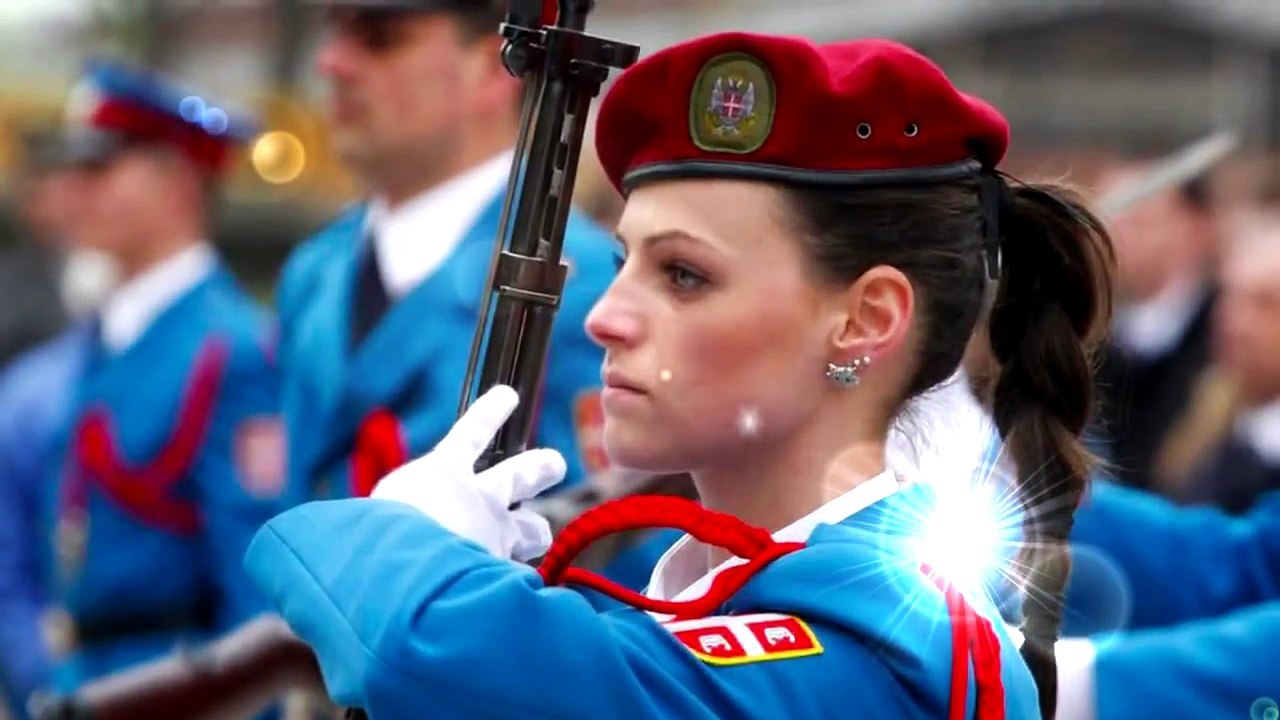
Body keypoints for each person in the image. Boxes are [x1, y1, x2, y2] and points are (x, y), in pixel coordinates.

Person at [245, 32, 1116, 719]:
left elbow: (415, 643)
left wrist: (407, 538)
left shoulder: (889, 642)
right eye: (624, 262)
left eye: (685, 275)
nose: (604, 317)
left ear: (864, 320)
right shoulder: (676, 601)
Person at [277, 0, 619, 507]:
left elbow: (599, 551)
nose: (333, 64)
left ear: (491, 67)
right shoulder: (314, 270)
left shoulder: (583, 285)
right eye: (336, 35)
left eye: (379, 38)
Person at [25, 60, 289, 699]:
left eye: (100, 169)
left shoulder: (234, 349)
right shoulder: (105, 335)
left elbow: (252, 581)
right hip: (82, 682)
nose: (72, 189)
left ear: (176, 183)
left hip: (173, 686)